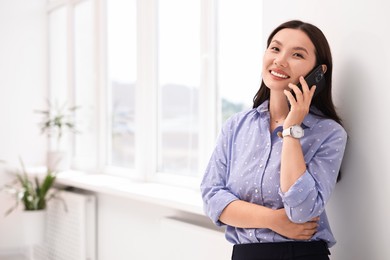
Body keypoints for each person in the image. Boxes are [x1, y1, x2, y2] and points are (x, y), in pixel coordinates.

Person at [200, 20, 347, 260]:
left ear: (318, 73)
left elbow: (301, 212)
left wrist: (291, 129)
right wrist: (274, 220)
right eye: (275, 49)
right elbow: (212, 197)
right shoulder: (237, 126)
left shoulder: (329, 134)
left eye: (297, 54)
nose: (280, 60)